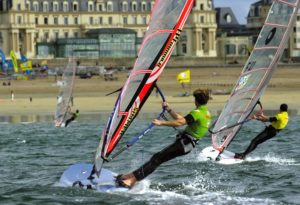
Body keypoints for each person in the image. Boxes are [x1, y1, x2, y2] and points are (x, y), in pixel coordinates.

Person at [115, 89, 212, 188]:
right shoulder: (205, 113)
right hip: (187, 144)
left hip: (185, 144)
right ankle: (131, 176)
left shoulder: (197, 112)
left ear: (195, 100)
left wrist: (160, 123)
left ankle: (132, 181)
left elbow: (180, 123)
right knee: (157, 158)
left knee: (157, 159)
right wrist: (169, 110)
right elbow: (181, 119)